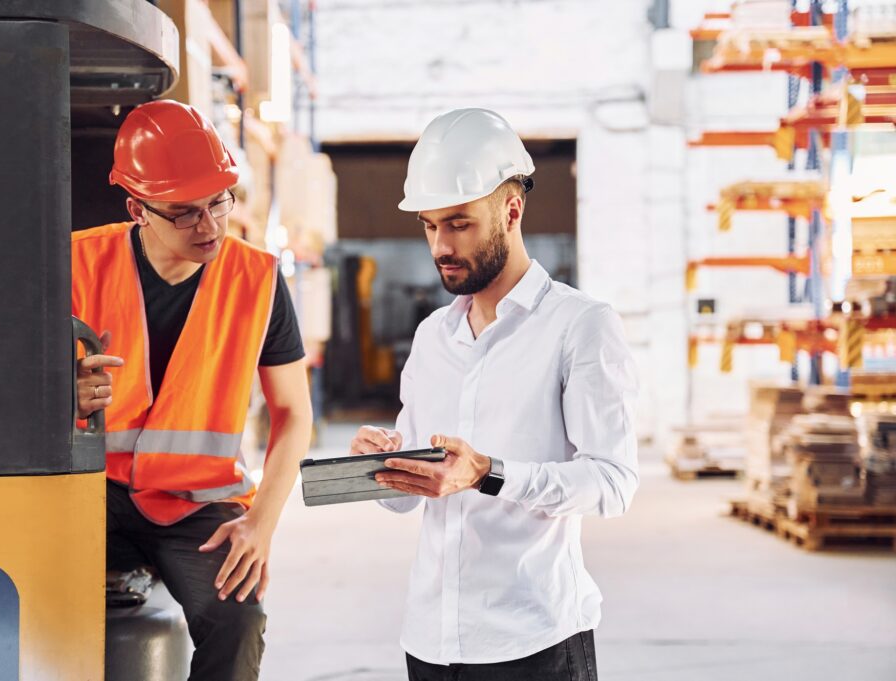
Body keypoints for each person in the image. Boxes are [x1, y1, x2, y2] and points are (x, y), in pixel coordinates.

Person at [349, 108, 639, 681]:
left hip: (533, 640)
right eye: (430, 226)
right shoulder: (434, 336)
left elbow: (613, 482)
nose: (440, 246)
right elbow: (410, 497)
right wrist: (378, 467)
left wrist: (490, 473)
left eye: (459, 224)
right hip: (430, 640)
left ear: (512, 210)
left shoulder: (581, 326)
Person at [72, 99, 313, 681]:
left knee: (238, 618)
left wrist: (261, 523)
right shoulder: (77, 263)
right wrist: (62, 395)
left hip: (195, 504)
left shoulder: (257, 280)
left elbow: (293, 414)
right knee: (29, 602)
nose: (208, 227)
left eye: (218, 204)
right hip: (87, 492)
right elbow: (11, 391)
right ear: (138, 208)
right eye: (184, 213)